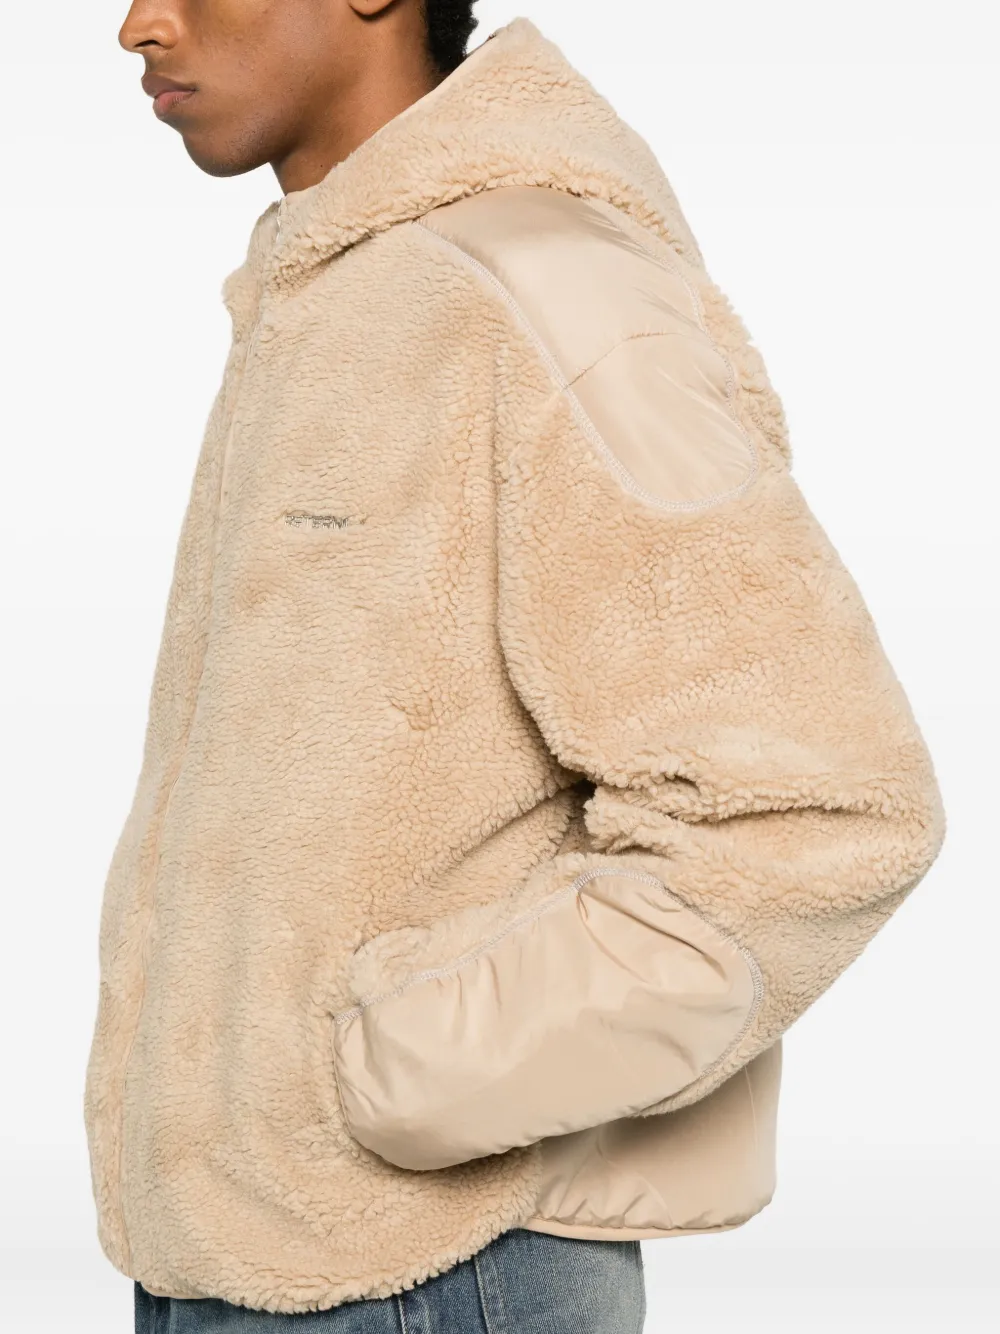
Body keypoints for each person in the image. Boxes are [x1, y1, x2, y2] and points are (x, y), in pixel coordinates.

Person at [86, 4, 945, 1331]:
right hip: (254, 1260)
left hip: (434, 1270)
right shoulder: (350, 287)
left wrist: (403, 1073)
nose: (140, 23)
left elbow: (817, 811)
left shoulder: (544, 284)